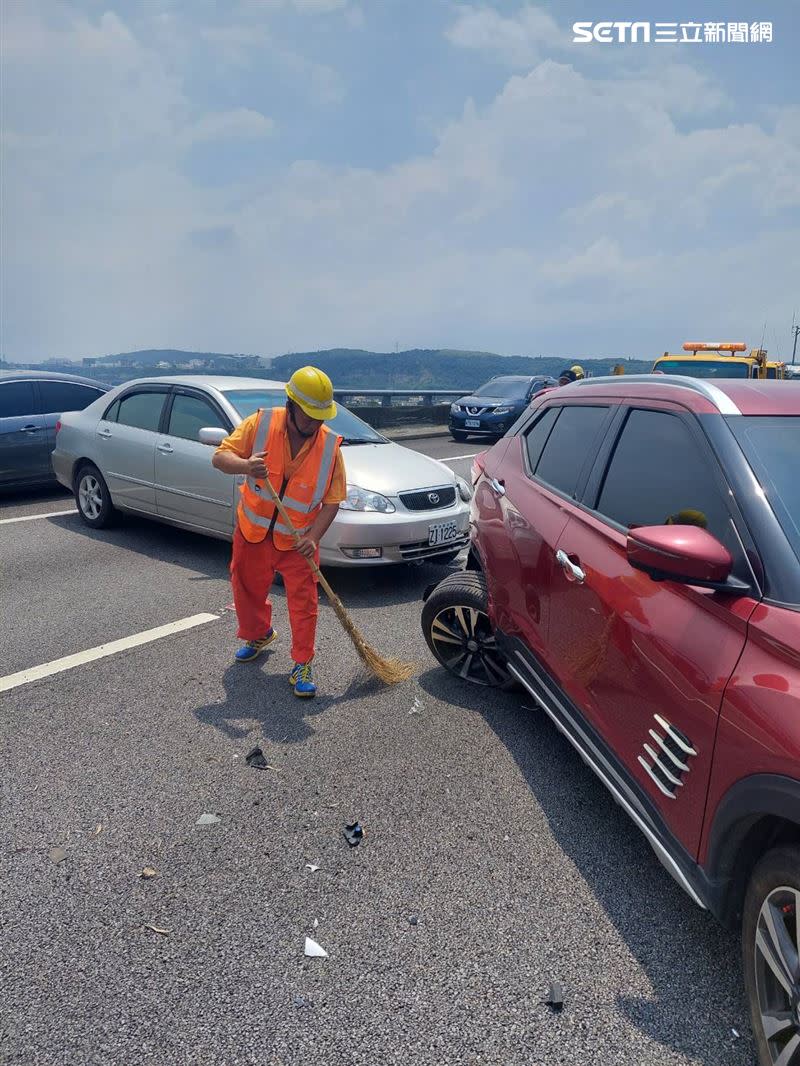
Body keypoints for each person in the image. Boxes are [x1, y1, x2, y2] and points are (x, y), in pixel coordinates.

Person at [212, 366, 345, 698]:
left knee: (304, 604)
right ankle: (259, 634)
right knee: (245, 589)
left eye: (320, 416)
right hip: (253, 533)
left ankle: (302, 663)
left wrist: (313, 537)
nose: (315, 423)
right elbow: (220, 457)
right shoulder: (260, 424)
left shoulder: (330, 447)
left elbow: (332, 500)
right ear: (291, 405)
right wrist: (245, 465)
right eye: (309, 415)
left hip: (298, 542)